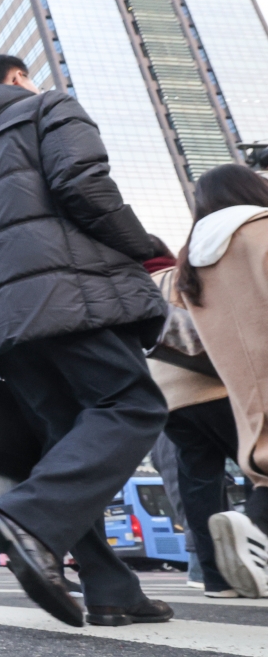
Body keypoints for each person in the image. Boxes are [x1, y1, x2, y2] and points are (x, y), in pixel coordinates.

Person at [0, 54, 172, 627]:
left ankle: (111, 588)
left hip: (5, 330)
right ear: (16, 79)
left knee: (66, 439)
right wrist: (145, 249)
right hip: (70, 297)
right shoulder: (47, 107)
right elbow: (83, 184)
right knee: (132, 404)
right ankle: (33, 518)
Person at [176, 163, 268, 598]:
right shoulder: (259, 230)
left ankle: (225, 567)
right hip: (217, 387)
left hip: (223, 388)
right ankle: (255, 529)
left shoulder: (190, 261)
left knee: (203, 478)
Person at [142, 240, 241, 598]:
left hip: (169, 399)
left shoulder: (129, 290)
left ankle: (215, 579)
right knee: (259, 465)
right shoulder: (186, 273)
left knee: (198, 484)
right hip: (215, 386)